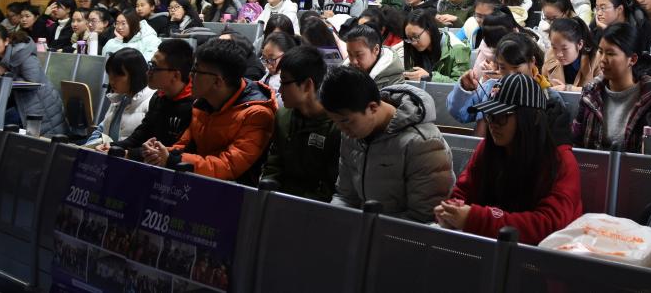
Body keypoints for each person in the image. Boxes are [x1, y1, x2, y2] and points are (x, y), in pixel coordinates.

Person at [435, 73, 582, 245]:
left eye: (501, 116)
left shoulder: (560, 161)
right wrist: (452, 210)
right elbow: (463, 191)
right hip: (491, 248)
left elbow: (549, 225)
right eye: (489, 115)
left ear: (532, 117)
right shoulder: (489, 148)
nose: (492, 124)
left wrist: (475, 218)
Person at [321, 66, 454, 222]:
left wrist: (370, 229)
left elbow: (425, 217)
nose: (342, 129)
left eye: (345, 121)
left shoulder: (422, 143)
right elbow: (346, 196)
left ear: (372, 107)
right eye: (336, 122)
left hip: (401, 232)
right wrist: (334, 222)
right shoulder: (352, 134)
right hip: (365, 226)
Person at [142, 39, 276, 185]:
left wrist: (173, 159)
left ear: (217, 82)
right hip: (198, 183)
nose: (190, 76)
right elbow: (185, 145)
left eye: (196, 71)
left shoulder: (257, 114)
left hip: (234, 193)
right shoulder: (202, 103)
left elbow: (228, 166)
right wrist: (158, 152)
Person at [260, 46, 341, 201]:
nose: (280, 90)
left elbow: (332, 184)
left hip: (315, 207)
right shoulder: (283, 116)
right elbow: (273, 166)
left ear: (308, 85)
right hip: (278, 201)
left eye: (284, 83)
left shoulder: (337, 126)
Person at [572, 23, 651, 152]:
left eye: (610, 53)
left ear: (632, 59)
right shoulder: (591, 92)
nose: (602, 59)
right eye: (600, 51)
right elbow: (576, 140)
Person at [108, 39, 195, 161]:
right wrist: (111, 147)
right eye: (150, 65)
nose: (148, 72)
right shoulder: (158, 97)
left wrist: (129, 154)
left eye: (154, 67)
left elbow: (173, 151)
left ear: (175, 75)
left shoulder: (194, 106)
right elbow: (141, 134)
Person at [0, 25, 67, 136]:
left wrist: (5, 75)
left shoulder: (22, 54)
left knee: (1, 122)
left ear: (6, 41)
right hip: (21, 103)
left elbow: (33, 82)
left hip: (39, 105)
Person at [84, 48, 155, 148]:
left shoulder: (151, 102)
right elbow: (101, 130)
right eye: (110, 76)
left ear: (135, 74)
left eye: (117, 76)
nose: (111, 81)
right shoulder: (119, 99)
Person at [402, 9, 471, 83]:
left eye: (415, 36)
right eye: (409, 38)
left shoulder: (457, 48)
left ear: (429, 29)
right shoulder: (413, 49)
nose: (413, 42)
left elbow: (460, 85)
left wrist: (429, 77)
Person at [542, 17, 600, 92]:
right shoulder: (550, 55)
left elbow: (602, 91)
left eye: (564, 49)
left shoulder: (596, 58)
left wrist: (568, 89)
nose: (559, 54)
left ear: (580, 44)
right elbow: (543, 85)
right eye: (554, 47)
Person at [344, 23, 405, 88]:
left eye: (358, 55)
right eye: (350, 54)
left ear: (376, 49)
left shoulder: (394, 80)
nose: (353, 61)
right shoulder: (344, 72)